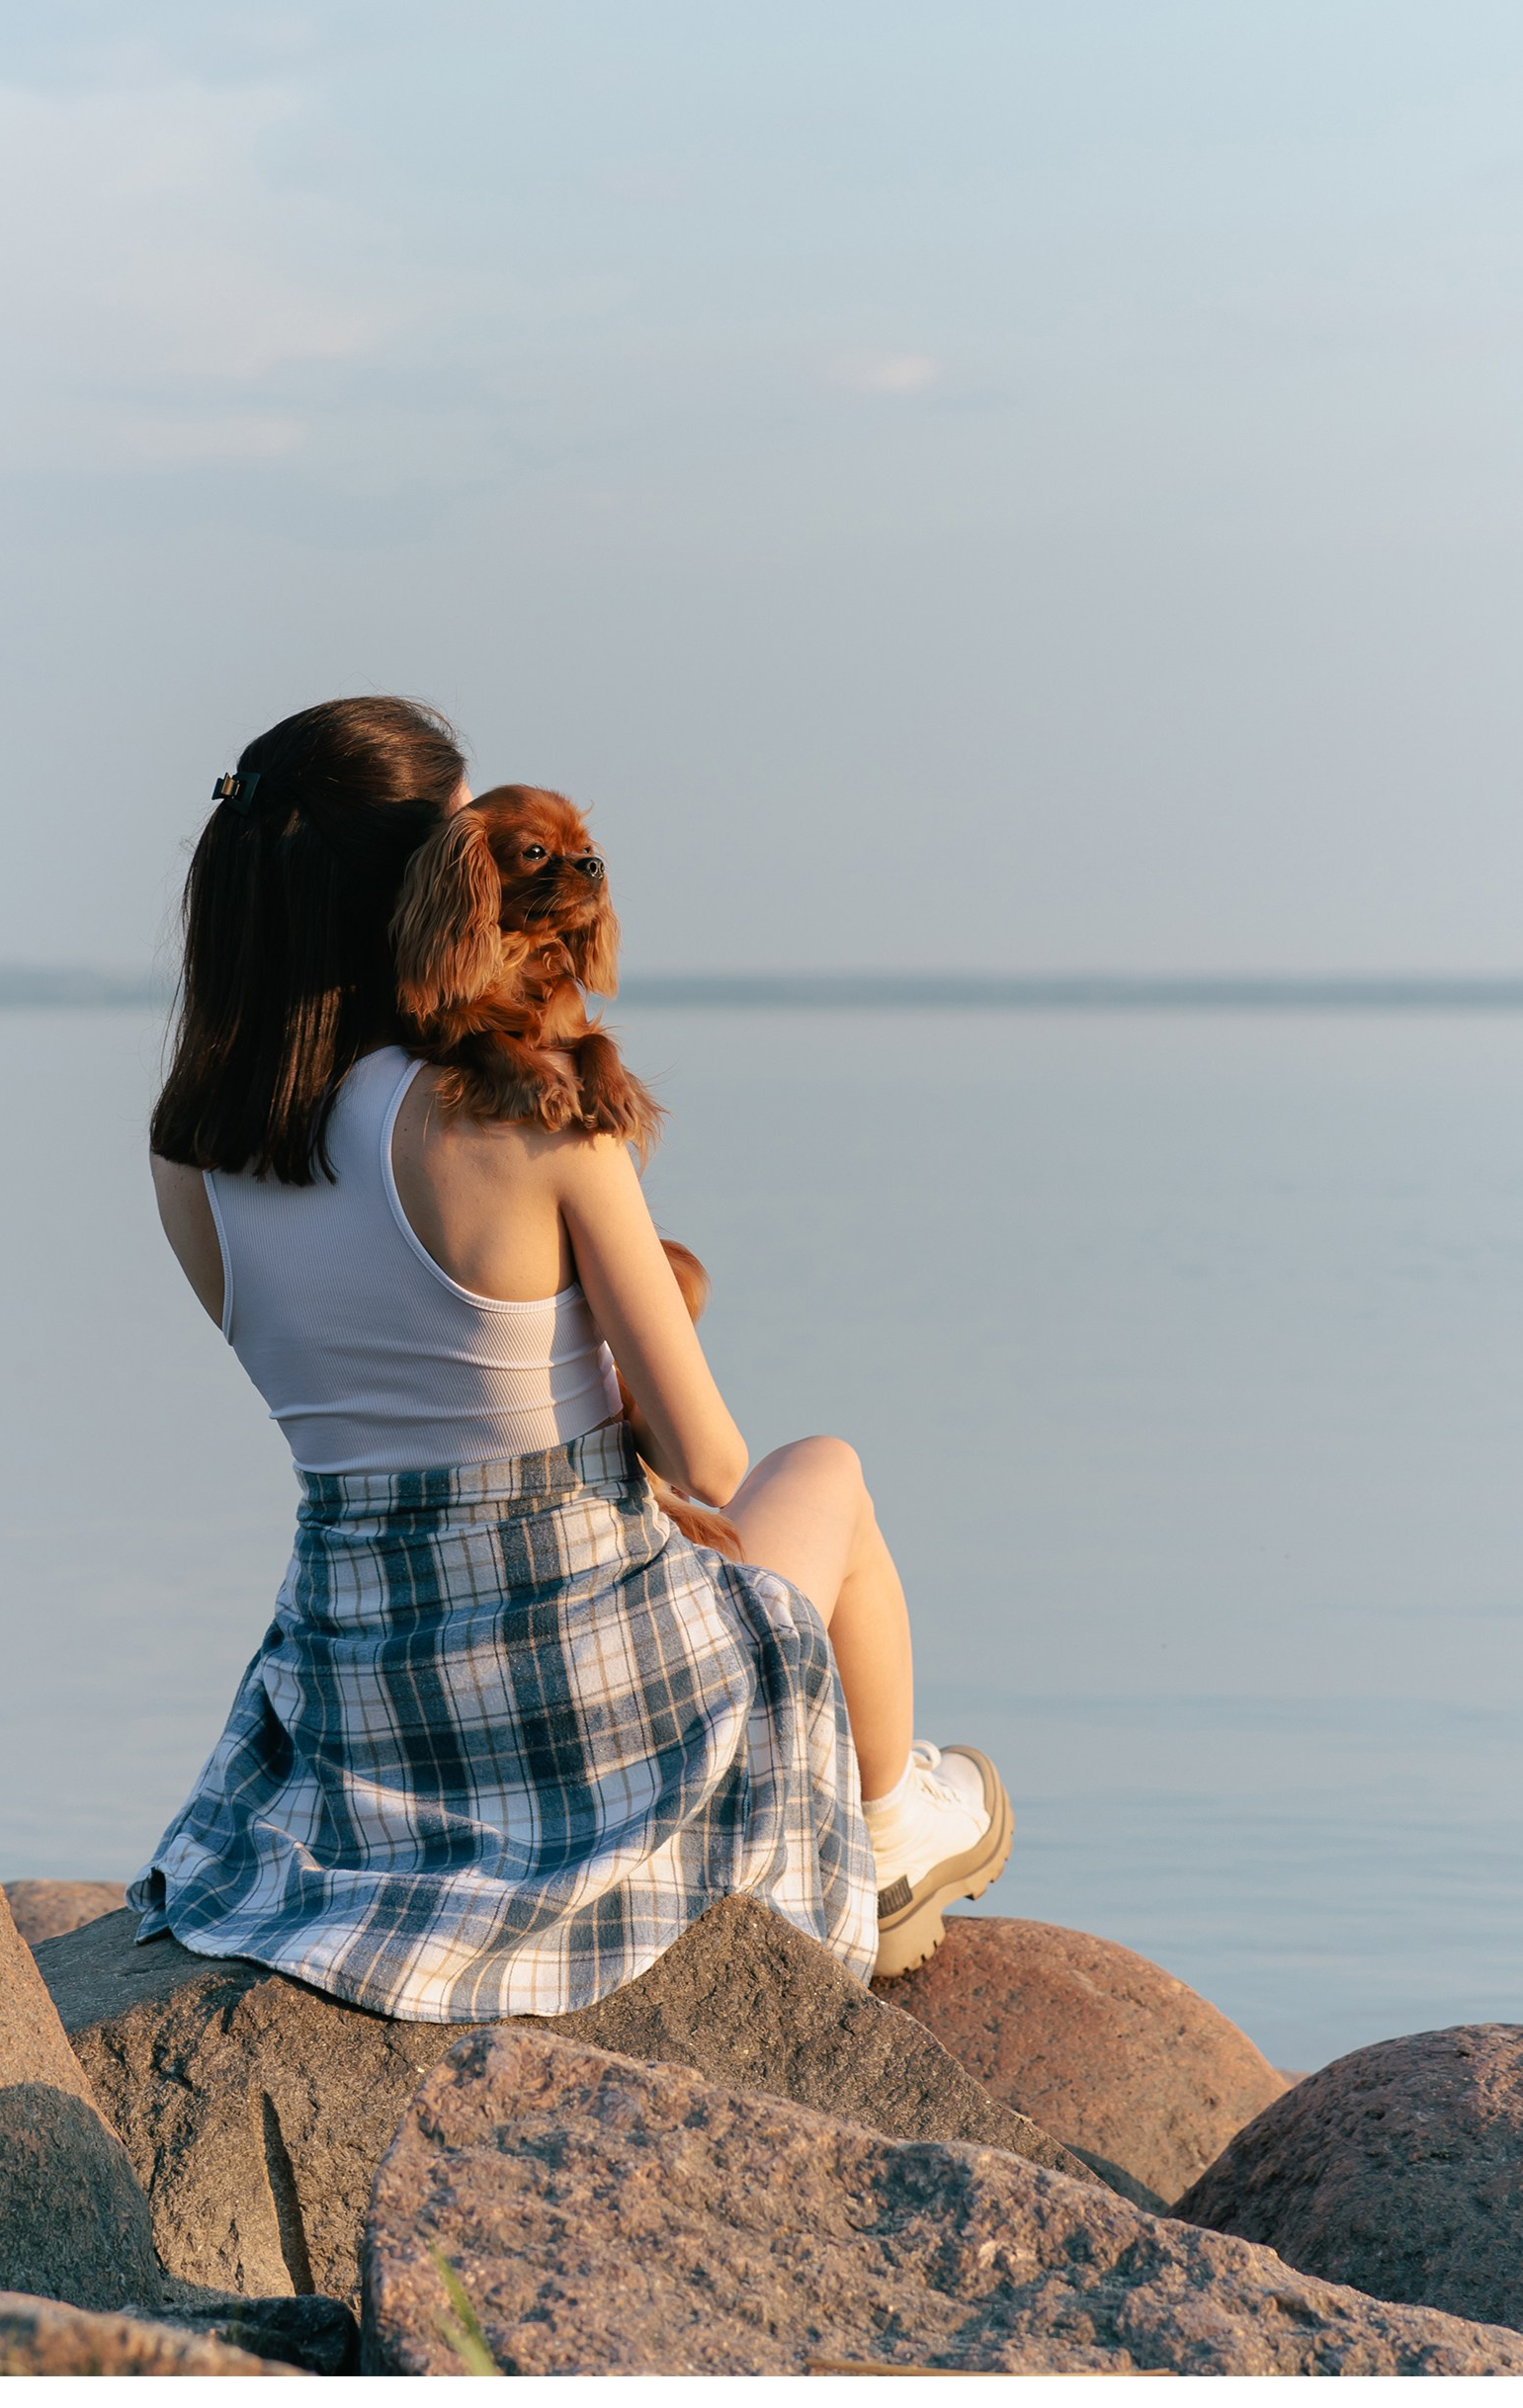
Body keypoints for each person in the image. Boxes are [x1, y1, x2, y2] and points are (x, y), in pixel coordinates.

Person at [133, 693, 1011, 2020]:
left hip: (366, 1708)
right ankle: (890, 1835)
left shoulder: (190, 1150)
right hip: (592, 1695)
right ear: (430, 882)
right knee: (820, 1472)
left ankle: (885, 1827)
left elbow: (360, 1409)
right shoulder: (520, 1117)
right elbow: (708, 1463)